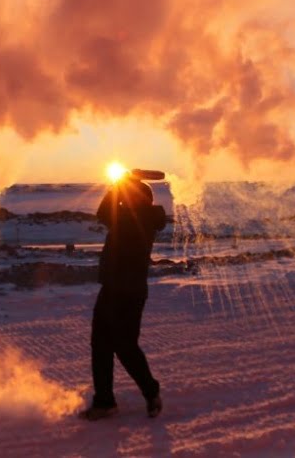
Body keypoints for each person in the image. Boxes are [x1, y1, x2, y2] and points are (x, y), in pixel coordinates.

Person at [82, 174, 166, 421]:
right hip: (120, 290)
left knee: (116, 346)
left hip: (122, 292)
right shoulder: (142, 218)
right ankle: (110, 400)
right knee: (111, 346)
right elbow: (107, 212)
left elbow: (103, 212)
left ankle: (141, 394)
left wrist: (119, 184)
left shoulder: (133, 220)